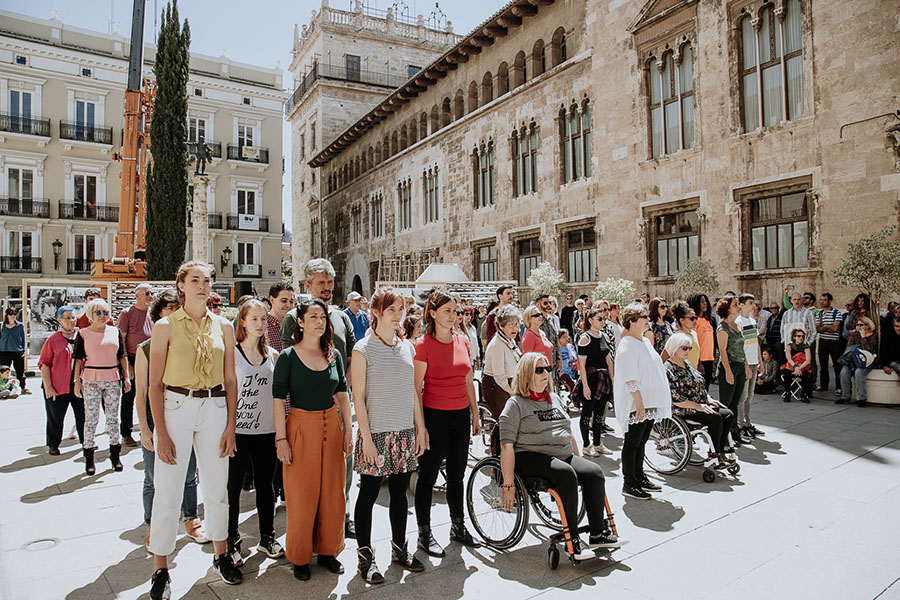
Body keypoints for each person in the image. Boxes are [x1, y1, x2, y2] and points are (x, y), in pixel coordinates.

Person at [146, 262, 241, 600]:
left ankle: (221, 554)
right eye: (195, 280)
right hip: (176, 407)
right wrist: (162, 432)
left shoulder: (225, 327)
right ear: (181, 286)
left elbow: (231, 380)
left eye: (207, 280)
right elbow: (154, 385)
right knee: (168, 488)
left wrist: (231, 425)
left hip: (215, 407)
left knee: (217, 487)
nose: (202, 286)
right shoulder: (164, 326)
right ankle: (160, 567)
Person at [499, 352, 623, 559]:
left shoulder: (554, 398)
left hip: (561, 454)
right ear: (526, 374)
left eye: (547, 369)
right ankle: (571, 540)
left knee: (594, 472)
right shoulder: (516, 404)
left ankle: (597, 533)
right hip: (530, 455)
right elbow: (506, 446)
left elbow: (568, 433)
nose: (545, 374)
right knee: (566, 474)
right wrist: (508, 484)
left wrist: (579, 460)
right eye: (539, 370)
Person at [273, 299, 352, 581]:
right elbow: (278, 399)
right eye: (313, 316)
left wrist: (349, 432)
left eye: (323, 317)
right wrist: (281, 438)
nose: (320, 321)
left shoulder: (334, 356)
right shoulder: (287, 357)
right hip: (300, 425)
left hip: (331, 425)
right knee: (301, 495)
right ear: (301, 323)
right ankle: (300, 556)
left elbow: (342, 395)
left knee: (332, 492)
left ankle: (328, 551)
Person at [351, 288, 426, 584]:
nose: (398, 314)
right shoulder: (363, 348)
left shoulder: (407, 346)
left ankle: (399, 548)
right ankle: (366, 557)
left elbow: (412, 391)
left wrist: (420, 428)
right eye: (391, 309)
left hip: (404, 432)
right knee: (368, 494)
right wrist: (366, 439)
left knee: (399, 494)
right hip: (377, 433)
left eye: (401, 309)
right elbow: (358, 397)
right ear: (376, 312)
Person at [280, 258, 357, 538]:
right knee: (308, 470)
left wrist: (342, 391)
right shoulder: (293, 318)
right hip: (306, 409)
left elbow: (348, 359)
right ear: (307, 285)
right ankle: (308, 523)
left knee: (341, 464)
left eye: (329, 282)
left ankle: (340, 516)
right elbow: (289, 362)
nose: (326, 287)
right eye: (320, 282)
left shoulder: (342, 317)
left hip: (337, 404)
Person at [135, 290, 208, 551]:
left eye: (178, 307)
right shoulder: (145, 348)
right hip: (157, 420)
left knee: (189, 473)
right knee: (153, 475)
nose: (174, 312)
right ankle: (153, 525)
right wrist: (145, 428)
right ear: (158, 314)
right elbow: (142, 392)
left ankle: (191, 518)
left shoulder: (189, 343)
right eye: (168, 308)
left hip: (185, 416)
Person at [414, 290, 481, 558]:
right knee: (428, 477)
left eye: (455, 311)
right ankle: (424, 532)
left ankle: (458, 525)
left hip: (460, 415)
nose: (453, 316)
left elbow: (468, 380)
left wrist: (476, 414)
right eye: (447, 311)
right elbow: (415, 388)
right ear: (432, 313)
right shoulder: (423, 344)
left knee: (457, 474)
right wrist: (421, 427)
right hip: (434, 415)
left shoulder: (463, 341)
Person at [226, 299, 284, 566]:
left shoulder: (273, 356)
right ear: (243, 322)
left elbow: (279, 397)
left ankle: (267, 537)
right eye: (254, 319)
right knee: (234, 488)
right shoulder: (232, 354)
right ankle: (231, 541)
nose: (260, 324)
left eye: (263, 319)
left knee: (266, 486)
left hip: (266, 432)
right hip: (238, 431)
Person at [613, 303, 672, 500]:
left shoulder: (644, 341)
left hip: (649, 401)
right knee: (632, 442)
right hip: (637, 403)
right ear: (631, 321)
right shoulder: (628, 345)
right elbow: (630, 377)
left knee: (643, 441)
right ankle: (629, 482)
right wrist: (638, 401)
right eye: (643, 317)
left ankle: (639, 476)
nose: (648, 319)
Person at [73, 298, 131, 475]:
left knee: (113, 418)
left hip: (112, 378)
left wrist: (126, 377)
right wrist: (76, 381)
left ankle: (115, 456)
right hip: (91, 378)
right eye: (98, 312)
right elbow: (77, 359)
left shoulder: (115, 332)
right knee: (91, 419)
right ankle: (89, 458)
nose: (102, 316)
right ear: (91, 315)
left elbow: (122, 355)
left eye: (105, 312)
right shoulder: (83, 334)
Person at [664, 333, 736, 466]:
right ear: (674, 348)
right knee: (715, 418)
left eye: (689, 348)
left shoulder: (688, 364)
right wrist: (698, 406)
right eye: (684, 348)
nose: (688, 351)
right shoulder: (668, 369)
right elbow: (675, 398)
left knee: (727, 414)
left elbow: (700, 385)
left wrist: (708, 399)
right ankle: (715, 453)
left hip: (699, 404)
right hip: (683, 408)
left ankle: (721, 448)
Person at [38, 306, 84, 455]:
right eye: (67, 318)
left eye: (73, 317)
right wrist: (48, 386)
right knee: (55, 417)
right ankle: (53, 444)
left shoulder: (81, 337)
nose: (71, 321)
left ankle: (86, 442)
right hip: (57, 385)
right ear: (59, 320)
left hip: (78, 384)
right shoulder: (53, 340)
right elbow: (44, 364)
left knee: (83, 415)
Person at [117, 282, 154, 447]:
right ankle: (126, 432)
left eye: (151, 293)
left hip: (151, 358)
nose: (150, 296)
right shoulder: (127, 313)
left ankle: (148, 429)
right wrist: (126, 364)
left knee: (149, 395)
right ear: (137, 295)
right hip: (132, 358)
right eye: (146, 293)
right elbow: (121, 339)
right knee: (129, 396)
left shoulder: (153, 314)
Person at [482, 304, 522, 453]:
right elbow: (499, 377)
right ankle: (496, 460)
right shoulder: (497, 344)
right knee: (501, 424)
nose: (515, 328)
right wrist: (512, 392)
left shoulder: (509, 340)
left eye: (517, 324)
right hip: (497, 387)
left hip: (509, 385)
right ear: (500, 325)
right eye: (511, 324)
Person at [576, 308, 615, 457]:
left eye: (604, 319)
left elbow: (608, 360)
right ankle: (586, 445)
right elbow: (581, 365)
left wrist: (612, 380)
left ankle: (598, 443)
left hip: (603, 379)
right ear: (590, 320)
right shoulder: (585, 338)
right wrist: (585, 385)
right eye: (599, 319)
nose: (603, 321)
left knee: (600, 413)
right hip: (591, 378)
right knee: (587, 413)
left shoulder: (605, 336)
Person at [715, 295, 751, 445]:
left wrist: (746, 366)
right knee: (726, 405)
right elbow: (722, 351)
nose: (738, 306)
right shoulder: (722, 328)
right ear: (727, 308)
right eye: (735, 304)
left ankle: (735, 434)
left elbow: (742, 349)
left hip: (740, 366)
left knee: (735, 403)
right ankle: (723, 438)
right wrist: (728, 371)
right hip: (728, 367)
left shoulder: (737, 325)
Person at [735, 294, 764, 439]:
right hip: (745, 363)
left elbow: (755, 342)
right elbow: (740, 346)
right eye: (750, 303)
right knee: (743, 396)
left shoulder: (752, 320)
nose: (754, 306)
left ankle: (747, 423)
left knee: (750, 396)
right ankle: (740, 425)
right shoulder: (738, 322)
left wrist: (761, 362)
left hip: (754, 363)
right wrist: (746, 365)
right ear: (741, 305)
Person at [837, 316, 878, 407]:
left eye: (861, 325)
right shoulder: (855, 334)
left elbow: (869, 349)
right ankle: (845, 396)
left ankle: (862, 398)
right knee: (844, 372)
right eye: (858, 325)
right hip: (854, 359)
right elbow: (850, 347)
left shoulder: (874, 336)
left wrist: (863, 337)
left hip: (868, 361)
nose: (859, 327)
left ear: (868, 326)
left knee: (859, 372)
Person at [780, 291, 817, 376]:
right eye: (794, 299)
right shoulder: (786, 313)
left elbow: (813, 330)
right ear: (791, 301)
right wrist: (784, 342)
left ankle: (811, 383)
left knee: (809, 363)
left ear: (802, 300)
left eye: (799, 299)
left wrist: (808, 343)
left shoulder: (809, 313)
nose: (796, 301)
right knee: (792, 363)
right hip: (791, 345)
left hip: (805, 344)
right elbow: (783, 328)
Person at [816, 293, 843, 394]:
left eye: (824, 300)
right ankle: (824, 385)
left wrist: (824, 328)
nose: (822, 302)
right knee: (823, 365)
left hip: (834, 342)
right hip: (823, 341)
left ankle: (839, 387)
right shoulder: (819, 314)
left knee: (837, 365)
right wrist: (828, 327)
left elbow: (835, 328)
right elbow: (817, 328)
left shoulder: (837, 313)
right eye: (821, 300)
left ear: (830, 301)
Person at [687, 293, 715, 390]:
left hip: (709, 359)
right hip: (700, 360)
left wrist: (713, 360)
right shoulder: (695, 321)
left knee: (706, 390)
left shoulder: (708, 320)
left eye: (706, 301)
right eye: (702, 302)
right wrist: (698, 363)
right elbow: (694, 342)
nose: (705, 304)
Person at [780, 327, 814, 402]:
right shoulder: (789, 346)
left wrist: (799, 368)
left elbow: (808, 360)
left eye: (802, 336)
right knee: (786, 374)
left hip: (803, 367)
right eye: (799, 336)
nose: (801, 338)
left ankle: (804, 395)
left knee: (807, 375)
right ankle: (787, 393)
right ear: (794, 337)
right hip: (791, 366)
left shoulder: (806, 347)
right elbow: (789, 358)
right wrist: (795, 367)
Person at [0, 307, 27, 394]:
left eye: (14, 314)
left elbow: (23, 338)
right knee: (3, 371)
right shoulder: (2, 326)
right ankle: (2, 388)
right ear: (7, 315)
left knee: (20, 371)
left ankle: (23, 388)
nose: (13, 316)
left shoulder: (20, 326)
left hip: (17, 351)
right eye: (11, 314)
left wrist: (23, 350)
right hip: (4, 351)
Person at [664, 301, 700, 366]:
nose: (695, 321)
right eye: (692, 319)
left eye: (695, 318)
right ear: (682, 320)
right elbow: (664, 357)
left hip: (692, 372)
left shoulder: (694, 334)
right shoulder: (676, 337)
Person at [267, 282, 296, 352]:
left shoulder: (297, 324)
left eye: (291, 301)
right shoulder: (262, 325)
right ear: (272, 300)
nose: (288, 305)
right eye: (284, 301)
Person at [558, 330, 578, 394]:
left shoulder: (570, 346)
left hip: (573, 370)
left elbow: (575, 357)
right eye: (564, 337)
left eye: (567, 337)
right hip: (563, 372)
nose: (567, 339)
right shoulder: (558, 348)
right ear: (559, 339)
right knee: (571, 383)